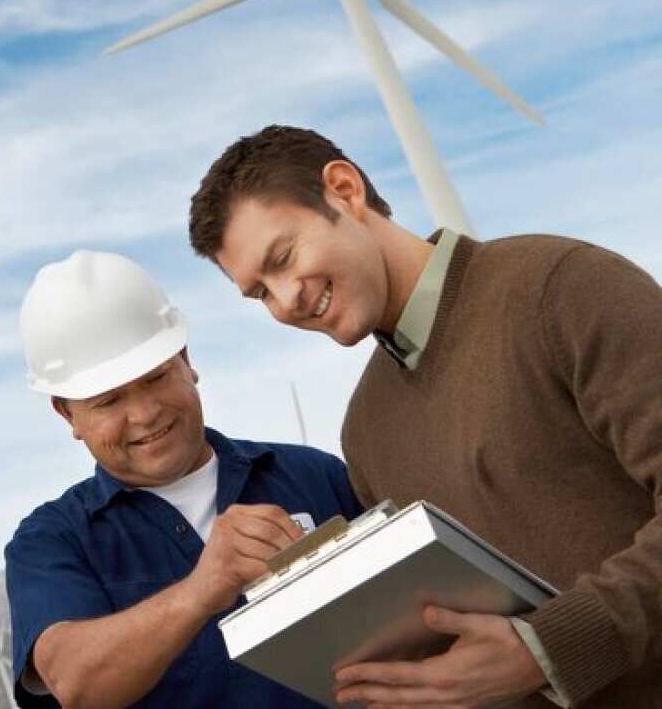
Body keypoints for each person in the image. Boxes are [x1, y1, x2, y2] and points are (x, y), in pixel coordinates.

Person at [187, 125, 662, 708]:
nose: (285, 301)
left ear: (344, 190)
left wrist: (544, 649)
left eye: (283, 259)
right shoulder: (364, 431)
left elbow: (530, 649)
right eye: (259, 293)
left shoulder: (561, 287)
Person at [4, 249, 363, 708]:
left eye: (155, 378)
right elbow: (76, 683)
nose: (145, 413)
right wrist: (202, 589)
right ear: (67, 413)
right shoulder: (51, 542)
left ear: (186, 360)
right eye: (109, 401)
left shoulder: (313, 476)